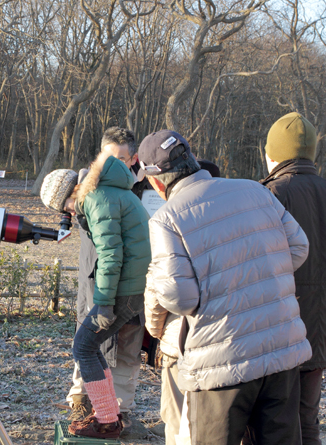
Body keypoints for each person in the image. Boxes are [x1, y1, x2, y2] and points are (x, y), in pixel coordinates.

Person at [140, 129, 312, 445]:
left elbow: (180, 297)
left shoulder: (167, 218)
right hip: (281, 350)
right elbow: (299, 247)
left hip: (221, 363)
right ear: (191, 159)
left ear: (155, 180)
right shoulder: (255, 191)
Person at [260, 112, 326, 445]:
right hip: (319, 330)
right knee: (307, 419)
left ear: (271, 154)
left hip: (274, 332)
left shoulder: (269, 195)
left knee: (269, 422)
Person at [39, 149, 151, 439]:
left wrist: (102, 304)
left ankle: (106, 420)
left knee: (84, 346)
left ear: (74, 192)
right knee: (90, 346)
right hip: (130, 287)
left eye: (67, 207)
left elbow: (110, 256)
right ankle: (107, 414)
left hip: (122, 292)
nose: (70, 213)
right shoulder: (110, 192)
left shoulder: (98, 200)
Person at [145, 158, 221, 445]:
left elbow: (161, 288)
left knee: (176, 421)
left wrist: (155, 330)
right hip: (227, 344)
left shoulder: (173, 219)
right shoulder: (228, 220)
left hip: (180, 341)